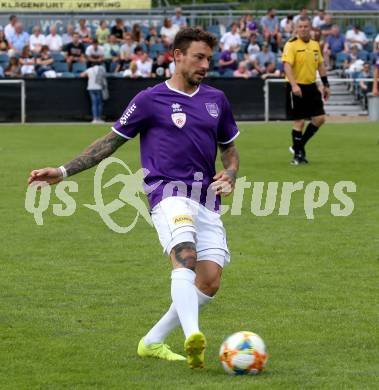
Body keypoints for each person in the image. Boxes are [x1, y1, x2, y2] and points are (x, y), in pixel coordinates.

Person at [28, 27, 240, 369]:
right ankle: (193, 337)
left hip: (206, 199)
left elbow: (229, 152)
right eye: (198, 57)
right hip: (167, 193)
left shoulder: (216, 100)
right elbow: (108, 143)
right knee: (184, 254)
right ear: (177, 56)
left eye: (208, 59)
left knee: (210, 280)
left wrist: (229, 175)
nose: (205, 64)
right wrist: (63, 172)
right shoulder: (148, 100)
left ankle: (153, 341)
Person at [282, 16, 330, 165]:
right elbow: (287, 66)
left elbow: (320, 65)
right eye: (300, 26)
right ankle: (298, 156)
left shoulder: (315, 45)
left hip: (311, 86)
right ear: (296, 28)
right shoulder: (291, 45)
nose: (303, 29)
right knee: (300, 121)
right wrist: (294, 85)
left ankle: (298, 146)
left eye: (306, 26)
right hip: (296, 86)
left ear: (310, 28)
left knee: (320, 118)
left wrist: (325, 84)